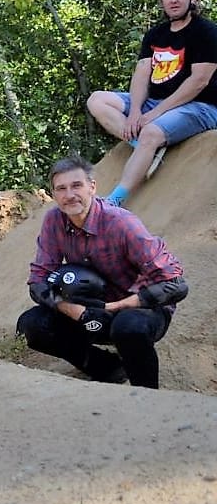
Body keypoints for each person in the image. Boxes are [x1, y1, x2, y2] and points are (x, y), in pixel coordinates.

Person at [16, 155, 186, 389]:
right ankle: (108, 369)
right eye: (61, 189)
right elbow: (38, 281)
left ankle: (147, 396)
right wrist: (76, 311)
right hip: (90, 309)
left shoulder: (121, 223)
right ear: (54, 195)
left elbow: (176, 284)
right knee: (33, 325)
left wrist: (118, 307)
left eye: (77, 185)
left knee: (128, 327)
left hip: (139, 307)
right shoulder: (54, 221)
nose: (69, 195)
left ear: (92, 187)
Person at [86, 0, 217, 207]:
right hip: (155, 102)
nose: (173, 0)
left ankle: (114, 202)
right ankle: (144, 148)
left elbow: (199, 81)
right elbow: (142, 73)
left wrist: (154, 114)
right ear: (161, 1)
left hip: (200, 106)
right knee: (97, 100)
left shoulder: (207, 31)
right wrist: (135, 111)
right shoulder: (155, 34)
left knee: (151, 132)